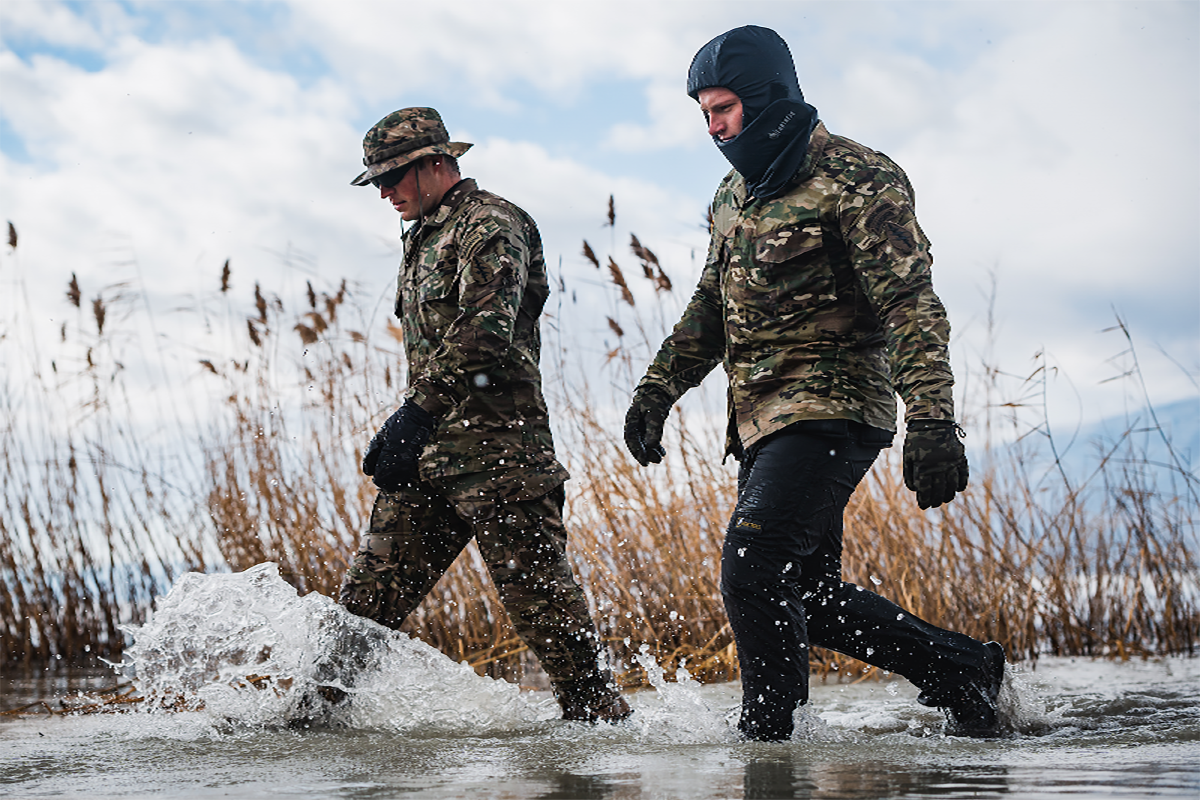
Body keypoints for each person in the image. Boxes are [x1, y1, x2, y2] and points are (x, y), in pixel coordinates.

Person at [623, 26, 1005, 741]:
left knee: (754, 562)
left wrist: (931, 419)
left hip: (834, 408)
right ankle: (960, 667)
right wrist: (656, 392)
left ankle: (766, 745)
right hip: (761, 421)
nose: (714, 128)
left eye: (725, 108)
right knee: (811, 595)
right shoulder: (732, 194)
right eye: (704, 113)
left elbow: (910, 304)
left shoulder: (859, 177)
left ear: (769, 97)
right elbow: (709, 307)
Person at [338, 107, 629, 723]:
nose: (385, 193)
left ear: (437, 164)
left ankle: (604, 739)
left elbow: (486, 335)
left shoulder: (492, 224)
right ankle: (310, 723)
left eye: (394, 177)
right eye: (378, 182)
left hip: (503, 458)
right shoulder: (422, 235)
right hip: (432, 459)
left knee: (550, 621)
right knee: (363, 606)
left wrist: (414, 413)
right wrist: (416, 428)